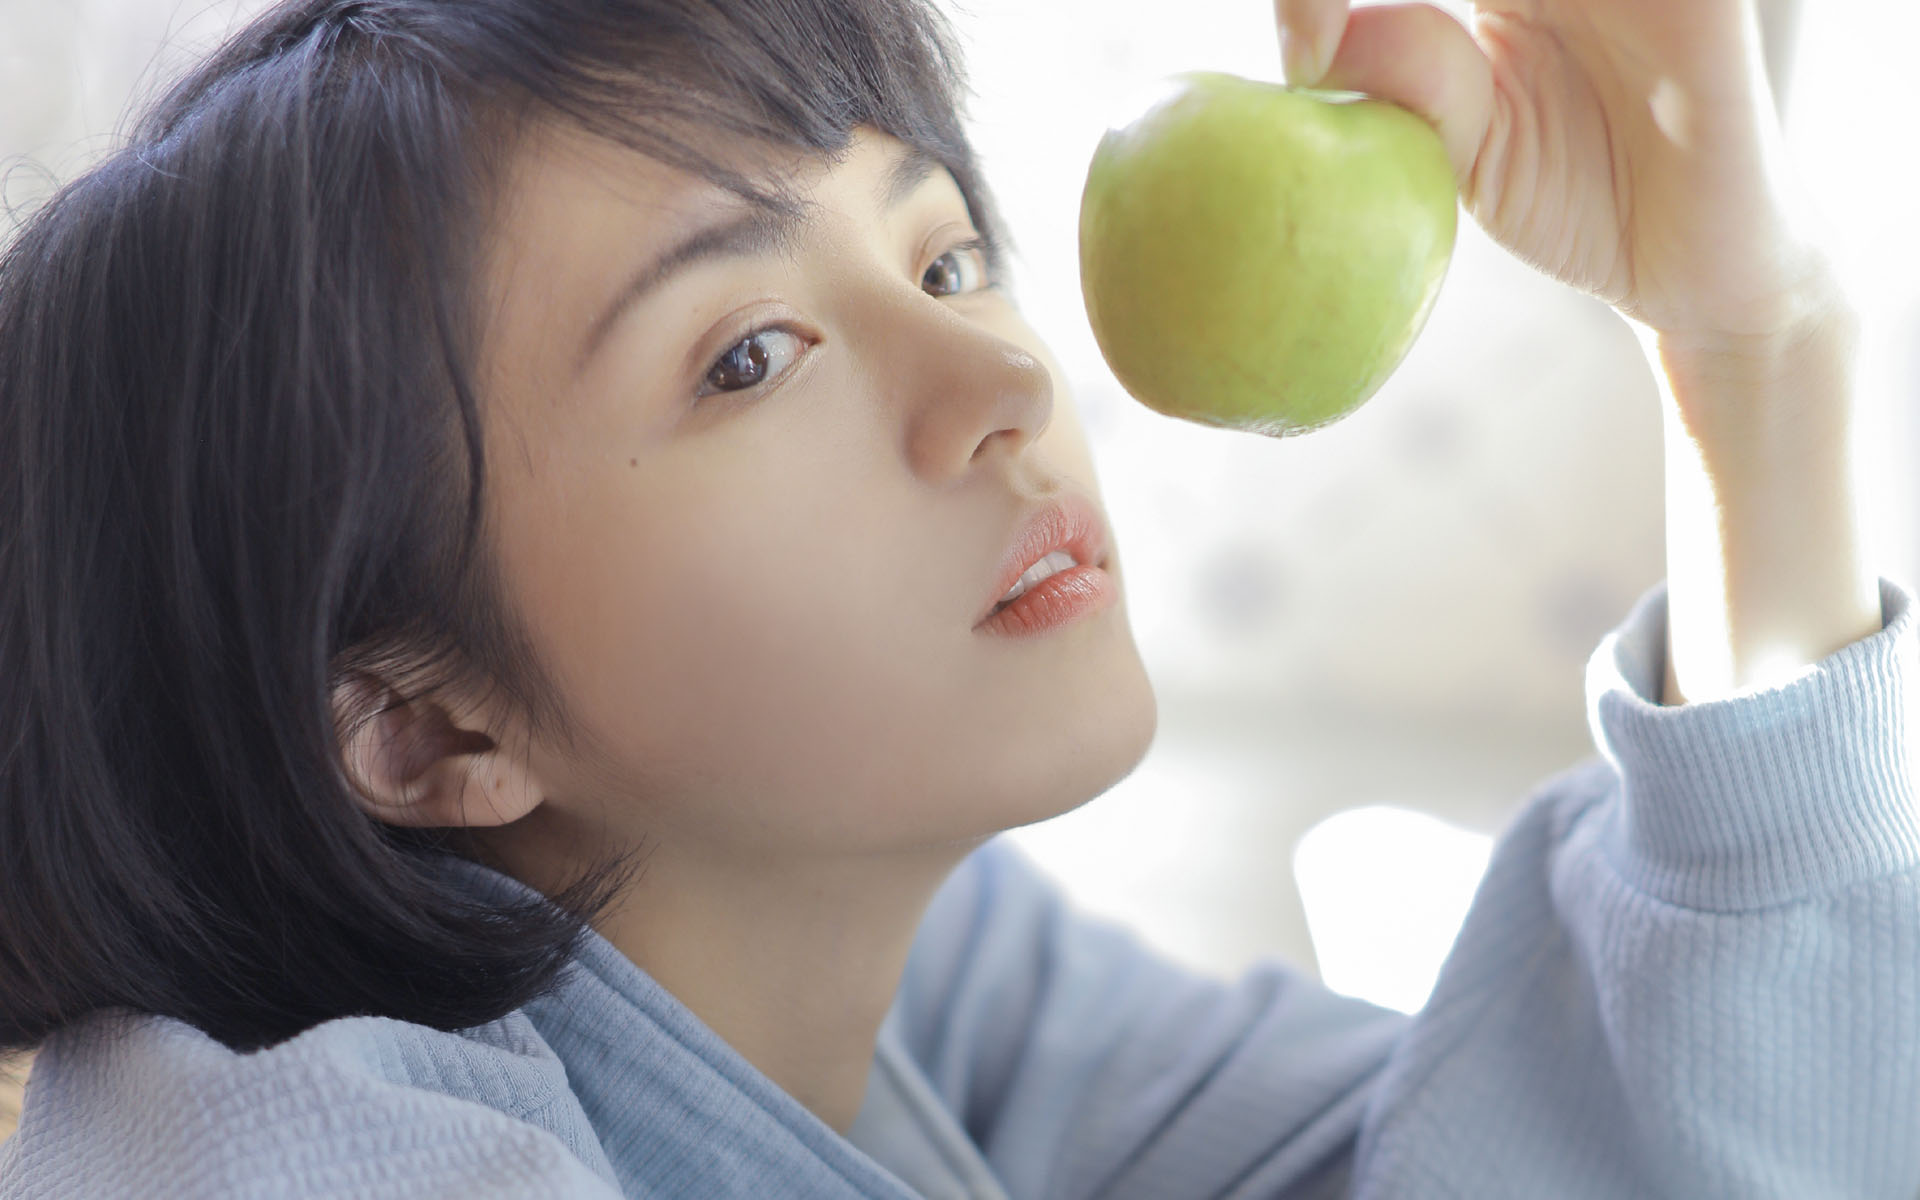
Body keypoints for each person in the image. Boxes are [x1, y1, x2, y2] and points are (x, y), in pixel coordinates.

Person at [1, 0, 1914, 1195]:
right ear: (428, 726)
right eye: (749, 354)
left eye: (946, 253)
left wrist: (1750, 355)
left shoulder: (942, 988)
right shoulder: (245, 1148)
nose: (1004, 390)